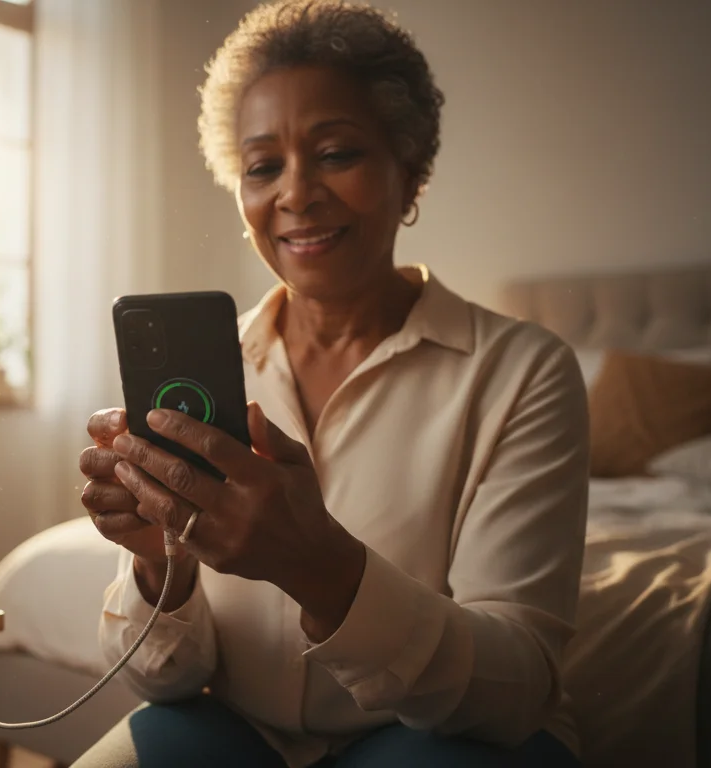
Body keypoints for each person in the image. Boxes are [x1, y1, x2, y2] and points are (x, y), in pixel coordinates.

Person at [75, 1, 588, 765]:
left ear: (409, 171)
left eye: (337, 153)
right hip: (233, 729)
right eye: (262, 166)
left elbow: (516, 690)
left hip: (430, 737)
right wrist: (161, 564)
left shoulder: (521, 371)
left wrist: (318, 567)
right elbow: (165, 679)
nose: (296, 193)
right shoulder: (215, 369)